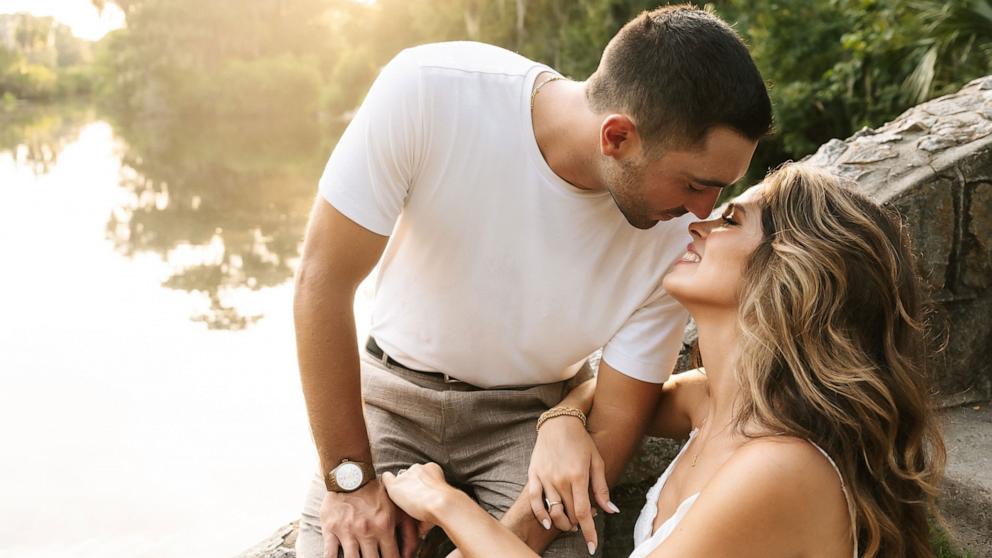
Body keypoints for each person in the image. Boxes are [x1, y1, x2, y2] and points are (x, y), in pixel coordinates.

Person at [293, 5, 772, 558]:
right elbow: (321, 282)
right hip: (389, 399)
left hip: (530, 416)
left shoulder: (682, 244)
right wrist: (348, 481)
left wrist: (499, 542)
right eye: (694, 183)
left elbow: (618, 419)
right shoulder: (429, 90)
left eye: (721, 190)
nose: (704, 215)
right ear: (616, 136)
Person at [380, 163, 947, 558]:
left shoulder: (779, 467)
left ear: (792, 271)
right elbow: (608, 396)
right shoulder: (717, 400)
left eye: (730, 221)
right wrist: (561, 423)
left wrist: (445, 504)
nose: (697, 222)